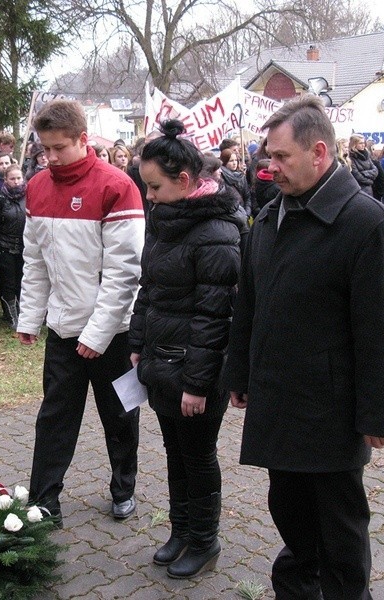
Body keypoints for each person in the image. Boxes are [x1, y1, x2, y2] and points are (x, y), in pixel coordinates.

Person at [223, 95, 384, 600]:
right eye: (268, 155)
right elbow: (250, 305)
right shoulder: (268, 219)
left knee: (340, 531)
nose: (270, 167)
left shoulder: (367, 225)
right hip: (278, 400)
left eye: (282, 157)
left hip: (332, 407)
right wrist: (238, 373)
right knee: (289, 512)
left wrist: (382, 411)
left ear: (320, 153)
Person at [16, 99, 145, 526]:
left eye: (59, 148)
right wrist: (29, 317)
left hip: (115, 332)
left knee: (121, 414)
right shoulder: (36, 186)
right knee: (54, 417)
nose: (50, 158)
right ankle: (44, 497)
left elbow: (124, 271)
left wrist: (99, 333)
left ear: (83, 140)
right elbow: (34, 261)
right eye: (43, 149)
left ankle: (123, 486)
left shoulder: (117, 185)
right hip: (64, 327)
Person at [129, 119, 240, 579]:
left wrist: (197, 383)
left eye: (154, 187)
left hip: (195, 372)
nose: (148, 196)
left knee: (197, 454)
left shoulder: (216, 231)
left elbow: (216, 318)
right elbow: (148, 287)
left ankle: (204, 539)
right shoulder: (164, 217)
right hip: (162, 361)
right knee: (175, 452)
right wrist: (138, 342)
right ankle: (180, 529)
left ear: (185, 181)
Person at [0, 164, 27, 329]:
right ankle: (11, 315)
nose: (16, 182)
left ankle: (22, 313)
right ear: (5, 180)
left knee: (22, 282)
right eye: (12, 179)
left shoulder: (28, 196)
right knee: (8, 283)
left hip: (24, 247)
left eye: (18, 178)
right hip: (5, 247)